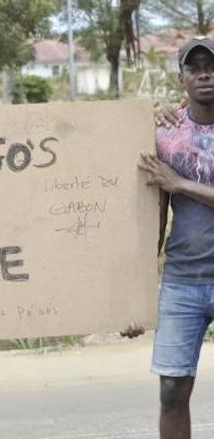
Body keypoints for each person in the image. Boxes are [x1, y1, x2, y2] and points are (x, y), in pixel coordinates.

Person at [137, 36, 214, 439]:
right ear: (181, 77)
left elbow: (175, 186)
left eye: (212, 66)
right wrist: (129, 299)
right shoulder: (166, 134)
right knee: (171, 391)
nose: (205, 74)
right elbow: (154, 216)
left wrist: (181, 183)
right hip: (183, 280)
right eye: (195, 67)